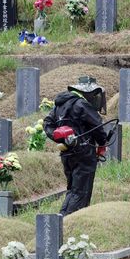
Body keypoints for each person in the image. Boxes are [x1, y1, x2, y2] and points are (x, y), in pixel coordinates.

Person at [44, 76, 109, 216]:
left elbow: (47, 124)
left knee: (72, 189)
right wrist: (103, 142)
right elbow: (97, 125)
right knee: (81, 191)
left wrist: (60, 138)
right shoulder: (81, 104)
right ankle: (69, 222)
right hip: (84, 152)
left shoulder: (59, 106)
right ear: (87, 93)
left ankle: (60, 219)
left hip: (66, 153)